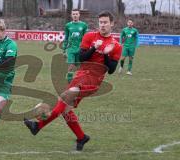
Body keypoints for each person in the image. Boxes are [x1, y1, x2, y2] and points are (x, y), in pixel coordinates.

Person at [24, 11, 122, 151]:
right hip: (81, 75)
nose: (103, 25)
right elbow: (81, 57)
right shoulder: (89, 36)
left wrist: (106, 54)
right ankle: (81, 137)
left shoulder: (116, 45)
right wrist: (94, 47)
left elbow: (111, 69)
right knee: (66, 109)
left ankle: (38, 126)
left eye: (106, 22)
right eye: (101, 22)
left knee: (65, 96)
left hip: (94, 79)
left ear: (112, 24)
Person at [62, 9, 88, 83]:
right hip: (70, 49)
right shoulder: (68, 25)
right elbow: (66, 37)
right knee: (71, 65)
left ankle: (80, 81)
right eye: (73, 14)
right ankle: (69, 82)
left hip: (80, 49)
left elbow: (86, 38)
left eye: (76, 14)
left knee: (79, 66)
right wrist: (64, 49)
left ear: (79, 15)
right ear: (71, 15)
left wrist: (86, 49)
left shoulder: (84, 25)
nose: (75, 15)